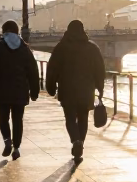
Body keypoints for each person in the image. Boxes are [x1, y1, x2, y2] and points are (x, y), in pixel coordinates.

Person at [44, 19, 107, 161]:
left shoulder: (61, 47)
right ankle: (81, 144)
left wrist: (51, 87)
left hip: (67, 90)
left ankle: (75, 141)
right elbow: (100, 70)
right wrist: (100, 88)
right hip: (86, 90)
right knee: (83, 118)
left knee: (70, 118)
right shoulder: (92, 48)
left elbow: (52, 69)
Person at [0, 20, 40, 160]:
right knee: (17, 119)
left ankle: (7, 140)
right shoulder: (25, 48)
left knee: (3, 118)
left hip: (1, 90)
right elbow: (33, 71)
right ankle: (17, 148)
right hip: (20, 90)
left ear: (4, 31)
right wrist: (34, 90)